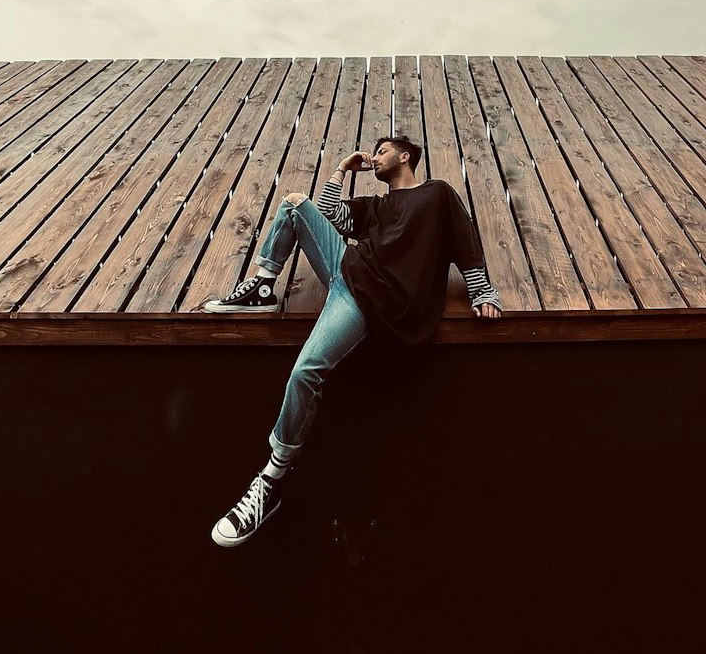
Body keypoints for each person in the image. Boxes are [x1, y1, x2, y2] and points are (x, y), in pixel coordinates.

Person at [204, 134, 502, 547]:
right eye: (374, 152)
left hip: (369, 302)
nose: (376, 157)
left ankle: (272, 476)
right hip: (345, 269)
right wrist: (343, 169)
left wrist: (482, 292)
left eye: (382, 151)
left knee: (306, 372)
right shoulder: (376, 207)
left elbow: (466, 244)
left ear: (405, 156)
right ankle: (264, 285)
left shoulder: (437, 195)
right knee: (295, 203)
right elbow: (329, 215)